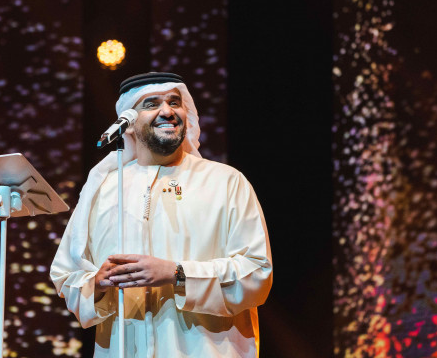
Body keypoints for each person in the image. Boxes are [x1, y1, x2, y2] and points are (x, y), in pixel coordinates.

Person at [50, 72, 273, 357]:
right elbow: (66, 276)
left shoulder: (225, 182)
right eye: (152, 104)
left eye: (174, 102)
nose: (167, 111)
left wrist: (176, 274)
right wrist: (97, 283)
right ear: (129, 123)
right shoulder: (103, 189)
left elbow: (257, 273)